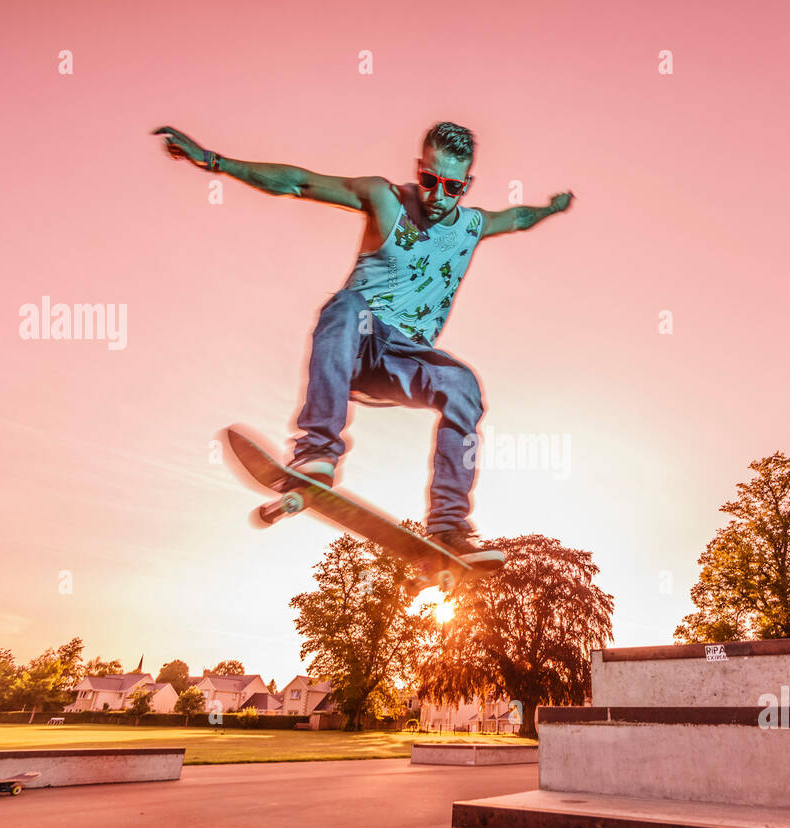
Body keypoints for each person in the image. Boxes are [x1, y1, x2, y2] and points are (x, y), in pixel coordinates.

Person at [154, 122, 573, 569]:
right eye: (429, 181)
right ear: (419, 169)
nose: (437, 195)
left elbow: (518, 218)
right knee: (348, 304)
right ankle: (316, 453)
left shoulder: (473, 226)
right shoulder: (385, 198)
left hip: (405, 362)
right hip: (356, 345)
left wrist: (549, 209)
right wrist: (214, 161)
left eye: (451, 187)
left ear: (466, 185)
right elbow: (298, 183)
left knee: (463, 383)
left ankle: (449, 527)